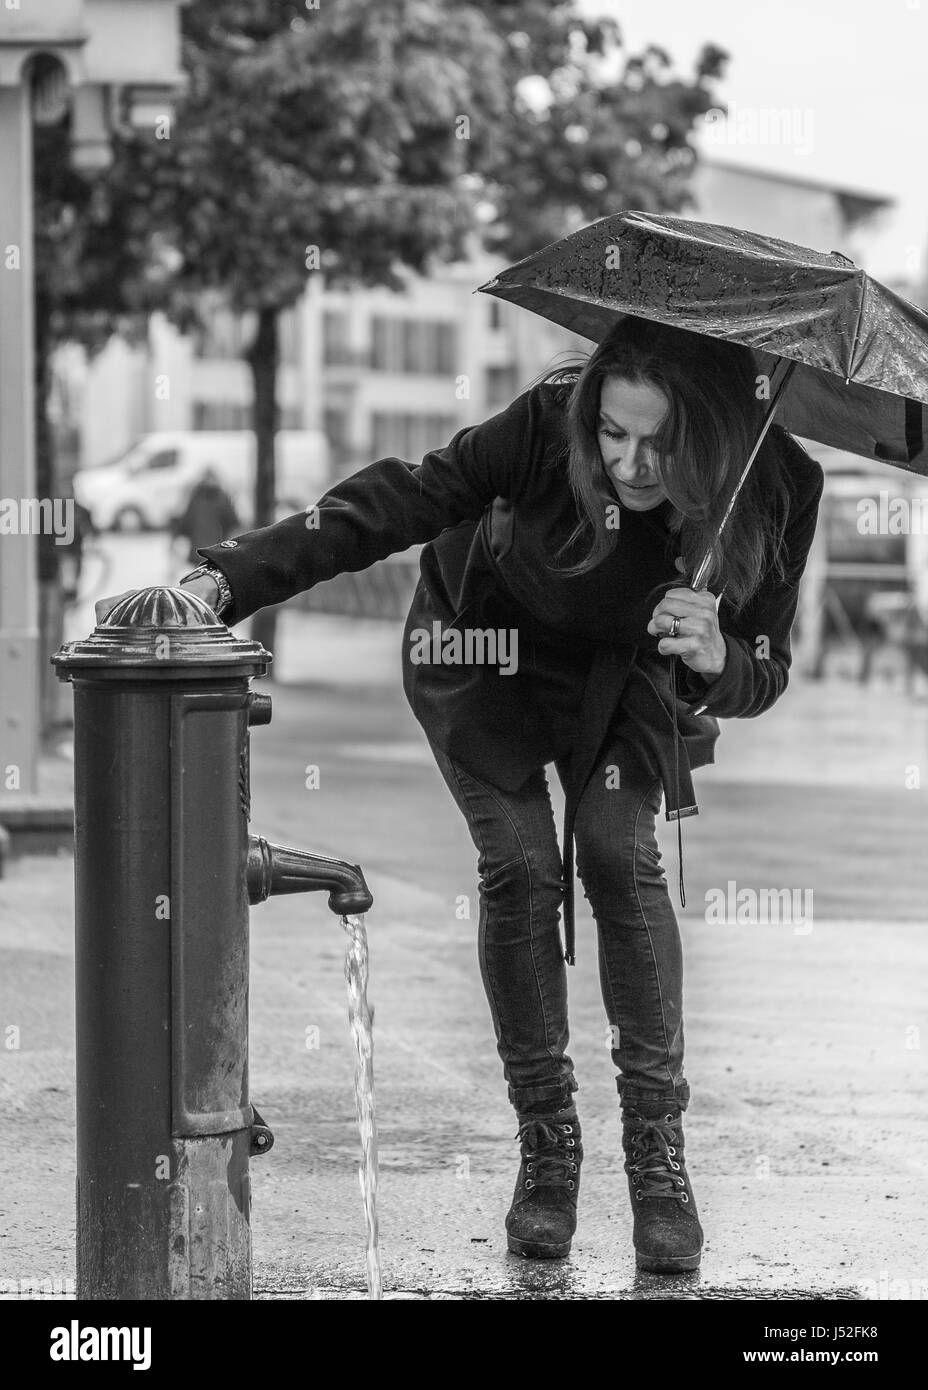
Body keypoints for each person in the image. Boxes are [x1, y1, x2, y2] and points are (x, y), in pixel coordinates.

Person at [162, 318, 825, 1272]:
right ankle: (548, 1149)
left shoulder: (778, 483)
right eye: (614, 434)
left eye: (660, 441)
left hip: (630, 678)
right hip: (487, 650)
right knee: (519, 862)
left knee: (614, 851)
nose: (632, 464)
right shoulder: (547, 422)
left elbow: (763, 671)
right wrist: (229, 578)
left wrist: (719, 656)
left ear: (714, 431)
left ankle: (658, 1159)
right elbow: (405, 498)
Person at [170, 466, 240, 567]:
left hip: (204, 551)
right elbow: (233, 522)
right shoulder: (217, 497)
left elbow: (185, 521)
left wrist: (176, 535)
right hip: (213, 551)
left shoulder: (199, 497)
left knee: (201, 575)